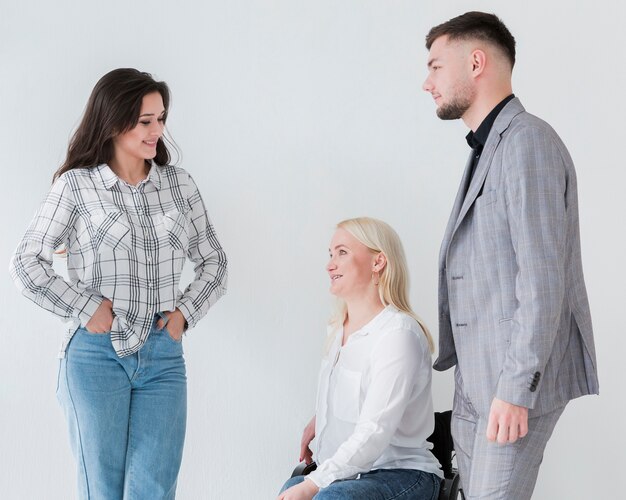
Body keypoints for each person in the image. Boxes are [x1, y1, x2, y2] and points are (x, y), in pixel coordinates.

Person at [9, 68, 228, 499]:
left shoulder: (179, 185)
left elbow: (214, 262)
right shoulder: (76, 187)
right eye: (145, 121)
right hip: (95, 358)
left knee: (154, 489)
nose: (157, 131)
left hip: (163, 356)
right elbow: (25, 263)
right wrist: (85, 307)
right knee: (102, 490)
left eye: (161, 118)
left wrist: (184, 315)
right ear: (113, 121)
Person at [422, 11, 598, 499]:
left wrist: (516, 389)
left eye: (436, 66)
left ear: (476, 61)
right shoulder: (488, 147)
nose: (426, 82)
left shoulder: (528, 142)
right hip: (475, 384)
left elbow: (543, 280)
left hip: (509, 383)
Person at [278, 217, 442, 500]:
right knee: (291, 490)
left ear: (378, 262)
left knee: (326, 498)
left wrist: (315, 482)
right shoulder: (337, 329)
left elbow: (374, 431)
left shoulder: (397, 334)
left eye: (342, 252)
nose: (330, 264)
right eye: (330, 255)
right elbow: (364, 393)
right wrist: (321, 418)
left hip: (401, 474)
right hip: (349, 474)